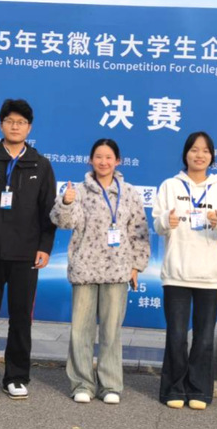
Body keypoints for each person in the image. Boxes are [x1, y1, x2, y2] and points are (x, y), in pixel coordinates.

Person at [0, 99, 57, 399]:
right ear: (1, 124)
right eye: (10, 121)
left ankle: (16, 377)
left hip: (25, 254)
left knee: (20, 318)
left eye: (21, 122)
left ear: (29, 128)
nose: (15, 126)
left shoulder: (40, 164)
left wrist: (45, 247)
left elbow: (49, 210)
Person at [50, 139, 150, 405]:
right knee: (80, 331)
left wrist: (136, 266)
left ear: (118, 161)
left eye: (108, 157)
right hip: (85, 269)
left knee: (111, 331)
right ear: (90, 160)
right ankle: (82, 383)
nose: (103, 162)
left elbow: (139, 231)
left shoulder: (130, 193)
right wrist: (67, 203)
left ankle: (110, 385)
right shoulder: (79, 191)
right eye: (98, 157)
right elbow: (63, 222)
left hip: (118, 270)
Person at [153, 132, 217, 410]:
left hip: (210, 275)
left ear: (212, 156)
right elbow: (157, 224)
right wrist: (167, 221)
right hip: (177, 271)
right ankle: (173, 389)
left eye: (205, 151)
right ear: (185, 154)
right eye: (194, 149)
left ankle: (199, 390)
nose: (199, 155)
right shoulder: (170, 185)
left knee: (203, 338)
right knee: (177, 335)